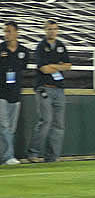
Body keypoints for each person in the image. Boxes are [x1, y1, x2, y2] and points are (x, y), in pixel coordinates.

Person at [27, 20, 72, 163]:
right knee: (45, 121)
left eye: (55, 29)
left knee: (59, 124)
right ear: (45, 30)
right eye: (49, 29)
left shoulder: (60, 46)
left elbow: (69, 66)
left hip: (59, 89)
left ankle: (52, 156)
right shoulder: (41, 47)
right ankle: (33, 153)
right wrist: (58, 66)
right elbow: (44, 69)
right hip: (44, 88)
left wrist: (54, 66)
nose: (52, 31)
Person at [0, 22, 29, 165]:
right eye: (5, 31)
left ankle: (5, 156)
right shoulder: (0, 49)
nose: (7, 34)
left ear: (16, 32)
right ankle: (8, 156)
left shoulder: (23, 51)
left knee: (11, 128)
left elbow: (23, 68)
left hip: (15, 93)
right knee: (4, 126)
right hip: (1, 93)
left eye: (9, 31)